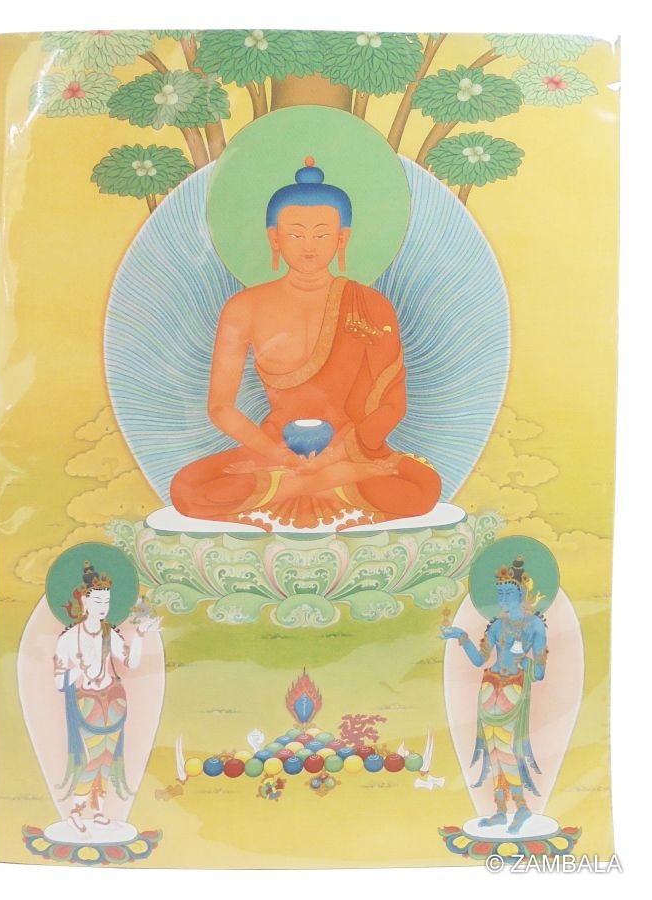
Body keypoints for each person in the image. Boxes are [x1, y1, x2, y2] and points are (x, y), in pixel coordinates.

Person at [169, 156, 441, 530]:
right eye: (296, 235)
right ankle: (323, 485)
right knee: (186, 490)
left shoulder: (369, 305)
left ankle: (308, 484)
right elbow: (220, 407)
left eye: (322, 234)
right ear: (274, 238)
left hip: (351, 450)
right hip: (273, 451)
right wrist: (276, 453)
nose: (309, 246)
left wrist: (334, 457)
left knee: (425, 488)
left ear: (342, 238)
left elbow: (393, 404)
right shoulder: (244, 307)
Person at [441, 556, 548, 834]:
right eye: (499, 593)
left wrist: (525, 660)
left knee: (505, 748)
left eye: (508, 592)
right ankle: (501, 810)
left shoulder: (535, 626)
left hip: (513, 687)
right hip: (489, 686)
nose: (503, 598)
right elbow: (480, 659)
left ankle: (521, 807)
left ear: (522, 593)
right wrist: (462, 636)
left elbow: (539, 674)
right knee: (492, 750)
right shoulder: (498, 625)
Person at [53, 561, 160, 832]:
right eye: (98, 601)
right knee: (94, 756)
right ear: (84, 601)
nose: (103, 607)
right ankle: (76, 810)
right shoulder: (68, 639)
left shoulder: (109, 634)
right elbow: (59, 682)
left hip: (113, 698)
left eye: (107, 602)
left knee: (109, 756)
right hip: (87, 700)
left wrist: (140, 635)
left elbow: (131, 663)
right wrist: (79, 668)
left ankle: (99, 809)